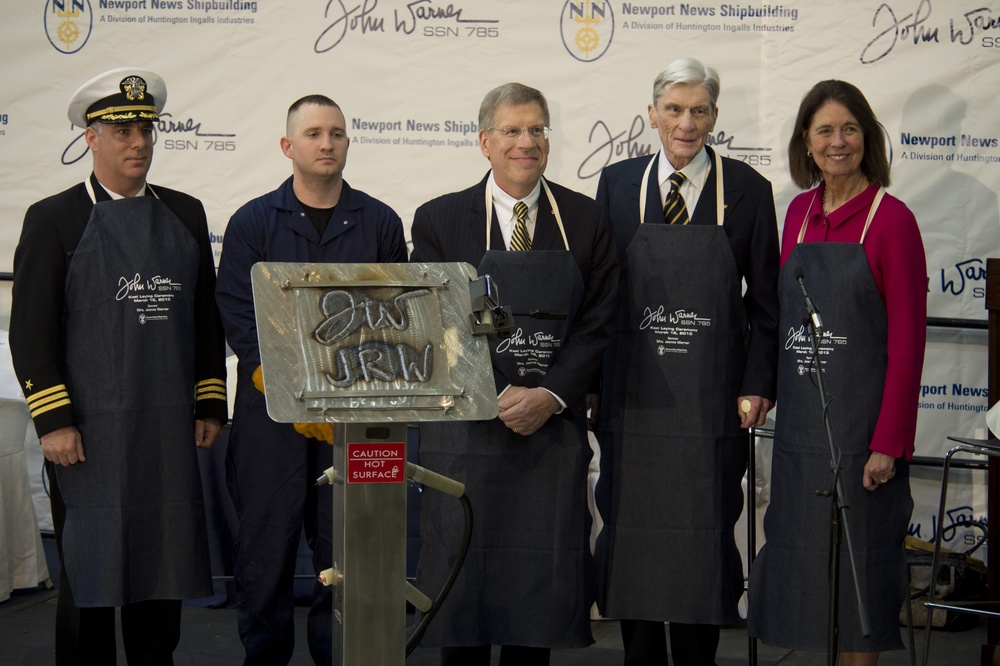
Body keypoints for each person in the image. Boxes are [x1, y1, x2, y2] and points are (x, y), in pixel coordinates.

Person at [9, 66, 228, 664]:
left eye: (146, 131)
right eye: (122, 130)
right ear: (91, 137)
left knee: (162, 559)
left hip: (166, 427)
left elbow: (205, 321)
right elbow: (30, 330)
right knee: (91, 569)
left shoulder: (185, 213)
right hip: (87, 434)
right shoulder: (54, 218)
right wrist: (53, 421)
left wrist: (210, 401)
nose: (137, 143)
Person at [410, 82, 618, 666]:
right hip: (467, 433)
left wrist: (549, 394)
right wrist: (498, 393)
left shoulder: (585, 219)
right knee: (463, 597)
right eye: (512, 130)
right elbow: (436, 322)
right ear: (484, 142)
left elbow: (599, 321)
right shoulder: (438, 220)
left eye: (537, 130)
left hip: (548, 436)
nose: (527, 142)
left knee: (535, 605)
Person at [593, 57, 780, 665]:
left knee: (703, 543)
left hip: (712, 403)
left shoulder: (749, 190)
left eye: (699, 110)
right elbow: (601, 296)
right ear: (652, 115)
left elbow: (769, 304)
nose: (686, 122)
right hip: (632, 400)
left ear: (715, 117)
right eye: (674, 109)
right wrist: (596, 384)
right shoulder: (617, 183)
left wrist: (757, 386)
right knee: (633, 540)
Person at [215, 94, 407, 665]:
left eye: (338, 134)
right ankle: (265, 657)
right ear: (288, 146)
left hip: (357, 420)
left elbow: (399, 316)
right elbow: (238, 314)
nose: (327, 144)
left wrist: (343, 395)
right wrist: (289, 391)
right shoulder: (251, 223)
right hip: (271, 418)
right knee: (265, 551)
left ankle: (341, 656)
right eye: (315, 134)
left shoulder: (380, 222)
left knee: (348, 554)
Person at [747, 80, 926, 665]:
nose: (837, 141)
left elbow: (908, 344)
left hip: (862, 444)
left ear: (867, 138)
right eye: (824, 130)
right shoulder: (796, 213)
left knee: (858, 591)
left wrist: (888, 445)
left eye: (849, 128)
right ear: (806, 140)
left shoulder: (893, 220)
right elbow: (780, 320)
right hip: (801, 440)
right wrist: (761, 392)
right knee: (808, 587)